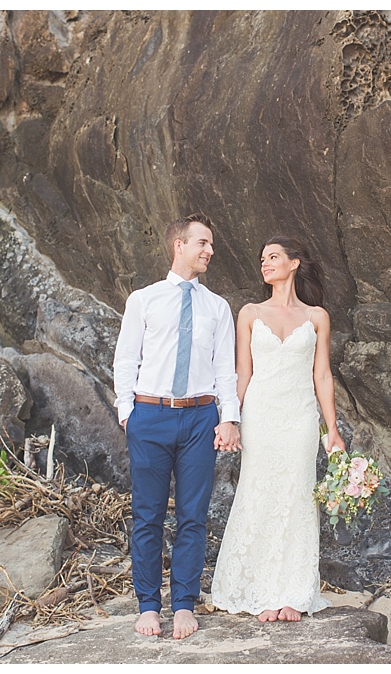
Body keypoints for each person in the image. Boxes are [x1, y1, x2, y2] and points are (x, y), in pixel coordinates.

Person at [113, 213, 242, 639]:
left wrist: (229, 417)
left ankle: (183, 603)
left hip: (200, 418)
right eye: (202, 243)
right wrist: (127, 414)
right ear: (179, 246)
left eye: (211, 245)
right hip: (150, 416)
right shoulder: (143, 299)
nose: (209, 251)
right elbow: (126, 358)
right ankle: (149, 605)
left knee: (193, 516)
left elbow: (226, 368)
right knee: (147, 515)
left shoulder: (218, 307)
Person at [211, 235, 344, 622]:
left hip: (301, 418)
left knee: (299, 495)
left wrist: (331, 429)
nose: (265, 264)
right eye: (262, 259)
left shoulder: (317, 317)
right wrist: (229, 418)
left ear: (294, 263)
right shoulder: (250, 312)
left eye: (273, 257)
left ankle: (294, 592)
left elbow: (322, 375)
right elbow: (243, 373)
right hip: (261, 416)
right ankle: (262, 591)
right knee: (259, 492)